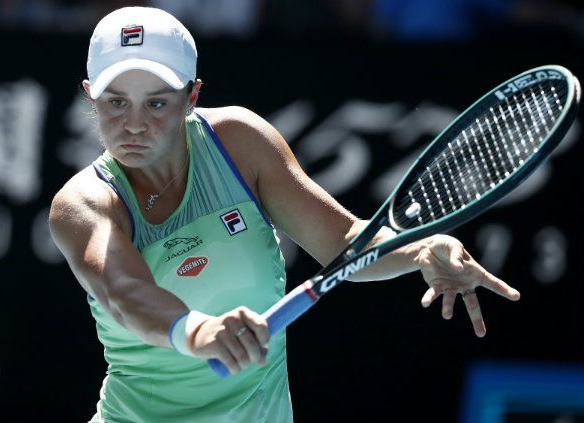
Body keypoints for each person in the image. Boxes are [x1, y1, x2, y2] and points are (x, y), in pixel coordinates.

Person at [48, 6, 521, 423]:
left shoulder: (240, 143)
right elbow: (123, 292)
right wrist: (200, 331)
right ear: (89, 94)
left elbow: (345, 243)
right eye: (115, 103)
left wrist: (419, 251)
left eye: (156, 102)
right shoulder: (83, 203)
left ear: (191, 96)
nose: (133, 124)